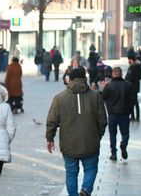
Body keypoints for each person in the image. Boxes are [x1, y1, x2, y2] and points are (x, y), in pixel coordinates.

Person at [46, 67, 107, 196]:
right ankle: (86, 190)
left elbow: (52, 121)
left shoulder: (60, 98)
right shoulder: (95, 96)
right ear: (85, 79)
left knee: (71, 171)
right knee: (91, 168)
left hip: (69, 143)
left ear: (70, 80)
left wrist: (50, 138)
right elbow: (103, 120)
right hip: (90, 142)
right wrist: (97, 135)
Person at [102, 67, 134, 161]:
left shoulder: (109, 85)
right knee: (125, 133)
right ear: (121, 74)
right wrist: (129, 110)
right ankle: (123, 143)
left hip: (112, 114)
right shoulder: (128, 85)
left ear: (113, 74)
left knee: (112, 134)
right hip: (124, 113)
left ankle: (114, 153)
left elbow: (103, 97)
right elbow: (132, 99)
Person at [125, 54, 141, 121]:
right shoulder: (139, 66)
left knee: (131, 102)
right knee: (136, 101)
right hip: (136, 86)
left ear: (130, 59)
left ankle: (132, 116)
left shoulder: (132, 67)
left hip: (131, 86)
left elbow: (128, 77)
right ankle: (137, 116)